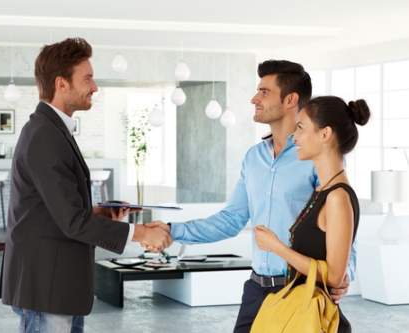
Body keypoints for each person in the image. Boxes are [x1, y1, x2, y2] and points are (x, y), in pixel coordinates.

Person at [148, 60, 356, 332]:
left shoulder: (315, 156)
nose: (254, 98)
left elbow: (343, 223)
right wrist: (173, 230)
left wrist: (342, 275)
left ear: (290, 99)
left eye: (264, 92)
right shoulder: (253, 158)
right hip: (257, 290)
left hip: (301, 291)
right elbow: (231, 219)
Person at [0, 37, 171, 333]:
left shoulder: (51, 130)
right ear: (61, 83)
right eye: (88, 78)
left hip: (55, 285)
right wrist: (142, 233)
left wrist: (99, 213)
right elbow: (72, 222)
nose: (95, 87)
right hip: (46, 286)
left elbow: (54, 210)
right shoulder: (45, 135)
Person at [255, 96, 369, 332]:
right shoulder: (322, 191)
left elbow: (335, 277)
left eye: (300, 127)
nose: (294, 137)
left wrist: (276, 247)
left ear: (325, 134)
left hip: (316, 321)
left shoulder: (337, 198)